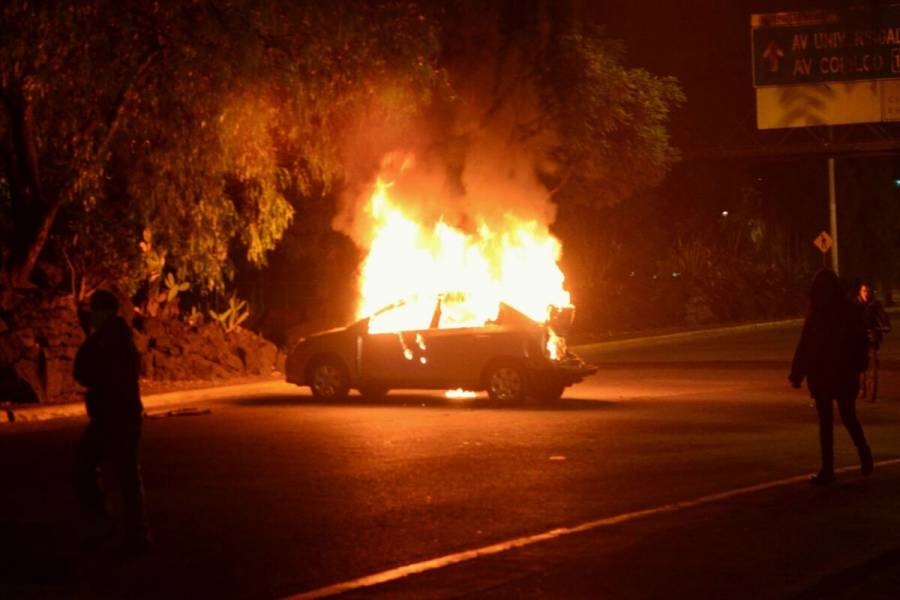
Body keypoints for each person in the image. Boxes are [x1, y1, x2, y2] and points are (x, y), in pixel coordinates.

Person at [73, 289, 150, 555]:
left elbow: (85, 371)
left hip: (116, 416)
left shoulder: (113, 340)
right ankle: (121, 529)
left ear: (104, 312)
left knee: (120, 473)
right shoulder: (112, 338)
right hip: (113, 415)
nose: (90, 315)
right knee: (109, 471)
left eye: (94, 310)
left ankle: (130, 533)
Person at [789, 270, 873, 485]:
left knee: (826, 422)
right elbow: (861, 341)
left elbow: (805, 346)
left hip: (822, 375)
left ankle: (828, 470)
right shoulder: (849, 311)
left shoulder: (816, 314)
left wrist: (797, 373)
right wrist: (860, 366)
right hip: (845, 373)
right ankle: (864, 454)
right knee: (848, 416)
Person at [854, 280, 892, 403]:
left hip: (873, 335)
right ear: (860, 291)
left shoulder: (875, 304)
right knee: (857, 363)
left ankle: (872, 386)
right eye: (864, 291)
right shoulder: (855, 304)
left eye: (869, 291)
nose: (866, 294)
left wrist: (886, 325)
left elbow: (883, 316)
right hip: (858, 337)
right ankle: (861, 388)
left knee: (873, 357)